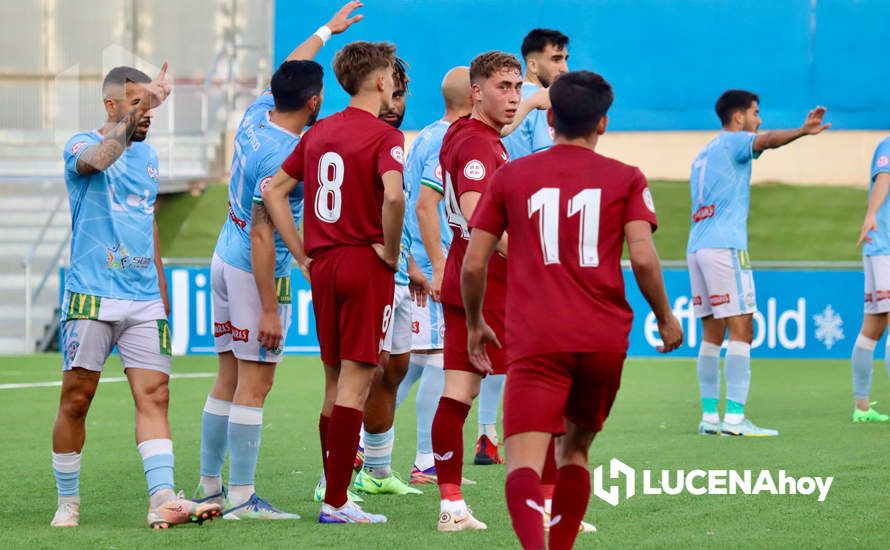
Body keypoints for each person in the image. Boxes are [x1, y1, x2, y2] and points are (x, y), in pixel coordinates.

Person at [463, 70, 683, 549]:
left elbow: (474, 262)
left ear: (550, 119)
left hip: (536, 336)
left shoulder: (511, 176)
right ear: (603, 123)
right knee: (575, 452)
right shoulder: (627, 178)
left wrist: (476, 321)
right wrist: (665, 316)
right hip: (602, 337)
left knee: (523, 459)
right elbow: (643, 257)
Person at [195, 3, 362, 520]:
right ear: (314, 102)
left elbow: (291, 66)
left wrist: (324, 31)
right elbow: (267, 231)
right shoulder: (290, 155)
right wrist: (270, 307)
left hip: (224, 255)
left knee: (227, 378)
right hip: (253, 269)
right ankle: (242, 499)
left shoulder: (256, 116)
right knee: (256, 383)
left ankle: (208, 488)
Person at [53, 63, 221, 529]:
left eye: (150, 104)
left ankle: (163, 496)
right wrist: (143, 106)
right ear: (112, 105)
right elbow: (100, 159)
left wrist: (162, 300)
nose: (147, 114)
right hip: (92, 295)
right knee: (77, 398)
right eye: (136, 103)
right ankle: (68, 502)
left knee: (156, 394)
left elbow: (148, 228)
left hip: (144, 299)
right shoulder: (80, 144)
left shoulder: (150, 160)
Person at [263, 40, 405, 524]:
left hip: (324, 264)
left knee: (333, 379)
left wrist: (303, 253)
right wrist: (389, 247)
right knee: (358, 379)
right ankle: (338, 501)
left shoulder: (320, 131)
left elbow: (273, 191)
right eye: (391, 75)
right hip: (365, 263)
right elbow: (393, 197)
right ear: (382, 80)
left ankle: (336, 492)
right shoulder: (386, 136)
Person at [688, 90, 829, 437]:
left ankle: (709, 417)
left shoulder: (704, 153)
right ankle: (735, 419)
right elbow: (765, 140)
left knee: (711, 333)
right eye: (755, 112)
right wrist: (801, 130)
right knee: (742, 329)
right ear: (738, 118)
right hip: (725, 247)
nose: (759, 120)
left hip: (697, 247)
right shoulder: (737, 141)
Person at [430, 50, 521, 531]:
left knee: (459, 395)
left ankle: (452, 505)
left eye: (518, 87)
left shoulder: (474, 136)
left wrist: (535, 100)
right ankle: (545, 503)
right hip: (490, 287)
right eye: (503, 87)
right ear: (476, 92)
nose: (513, 97)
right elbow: (476, 214)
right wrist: (534, 260)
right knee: (540, 391)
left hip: (472, 281)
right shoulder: (478, 146)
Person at [353, 57, 427, 496]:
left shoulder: (395, 139)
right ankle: (336, 475)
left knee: (395, 368)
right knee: (360, 372)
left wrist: (410, 266)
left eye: (402, 96)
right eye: (392, 94)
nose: (396, 104)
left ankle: (378, 472)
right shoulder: (363, 137)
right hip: (368, 272)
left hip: (397, 274)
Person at [397, 66, 473, 485]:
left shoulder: (426, 134)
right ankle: (425, 458)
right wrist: (432, 264)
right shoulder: (448, 141)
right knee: (437, 360)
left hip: (425, 260)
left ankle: (360, 445)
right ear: (473, 98)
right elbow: (423, 206)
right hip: (432, 266)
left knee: (411, 363)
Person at [851, 135, 890, 422]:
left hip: (878, 249)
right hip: (885, 248)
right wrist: (871, 215)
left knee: (872, 330)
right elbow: (883, 179)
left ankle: (862, 408)